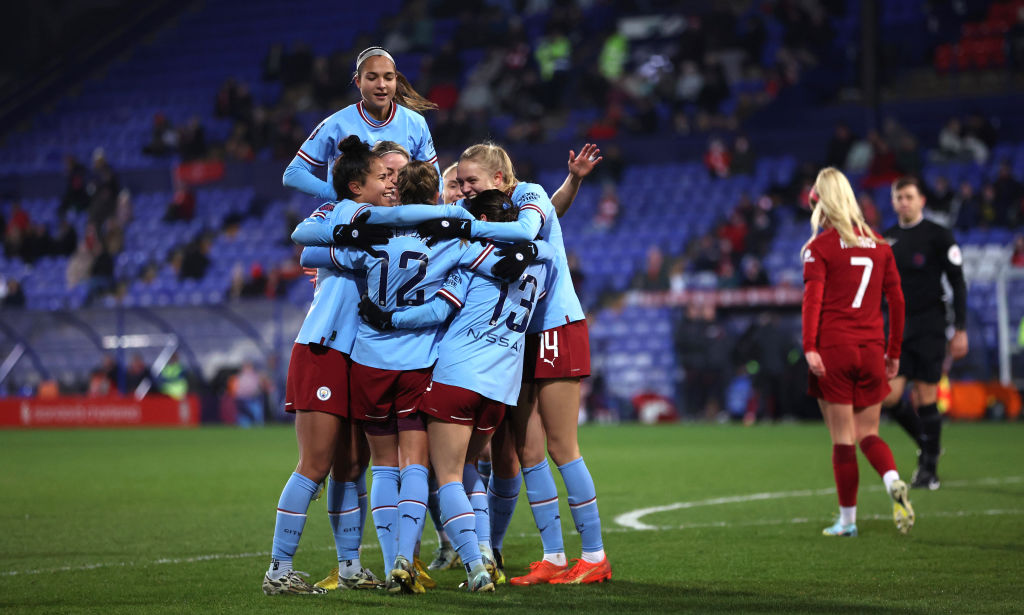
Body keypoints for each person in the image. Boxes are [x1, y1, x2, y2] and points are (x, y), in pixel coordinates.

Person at [365, 142, 611, 585]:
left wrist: (468, 228)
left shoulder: (526, 194)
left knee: (561, 447)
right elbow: (540, 228)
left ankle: (593, 554)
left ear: (499, 178)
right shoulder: (490, 214)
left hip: (553, 326)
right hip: (514, 340)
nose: (463, 189)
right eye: (458, 183)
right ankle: (553, 556)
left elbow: (535, 223)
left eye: (469, 181)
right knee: (527, 450)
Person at [298, 161, 547, 593]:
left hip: (370, 360)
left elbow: (308, 251)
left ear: (396, 194)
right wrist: (526, 250)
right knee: (425, 465)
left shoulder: (371, 234)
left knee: (383, 468)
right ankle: (422, 560)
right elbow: (487, 270)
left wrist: (347, 235)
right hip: (427, 363)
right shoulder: (451, 241)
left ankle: (389, 564)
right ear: (435, 196)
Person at [263, 136, 394, 596]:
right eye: (383, 177)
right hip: (324, 348)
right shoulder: (339, 212)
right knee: (316, 463)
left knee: (352, 464)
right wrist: (354, 247)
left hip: (361, 356)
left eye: (394, 176)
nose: (391, 184)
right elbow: (304, 244)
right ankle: (278, 569)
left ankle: (350, 566)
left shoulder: (390, 220)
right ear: (357, 186)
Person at [801, 167, 914, 538]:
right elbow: (897, 301)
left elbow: (812, 301)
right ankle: (892, 479)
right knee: (869, 433)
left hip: (835, 349)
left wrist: (809, 346)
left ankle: (847, 521)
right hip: (871, 350)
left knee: (843, 440)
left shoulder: (819, 248)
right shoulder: (880, 244)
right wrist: (893, 352)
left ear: (821, 201)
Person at [881, 177, 968, 490]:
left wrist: (960, 329)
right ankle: (927, 442)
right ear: (893, 202)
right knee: (889, 396)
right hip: (897, 328)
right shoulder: (887, 239)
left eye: (909, 196)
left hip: (930, 325)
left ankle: (928, 470)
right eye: (898, 197)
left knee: (926, 396)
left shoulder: (938, 235)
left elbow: (958, 282)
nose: (904, 202)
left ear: (921, 201)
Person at [282, 46, 439, 202]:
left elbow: (435, 181)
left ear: (396, 80)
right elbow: (293, 173)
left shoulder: (415, 123)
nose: (381, 84)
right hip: (350, 215)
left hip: (397, 214)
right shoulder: (337, 123)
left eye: (388, 78)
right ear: (358, 81)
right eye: (372, 78)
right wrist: (337, 195)